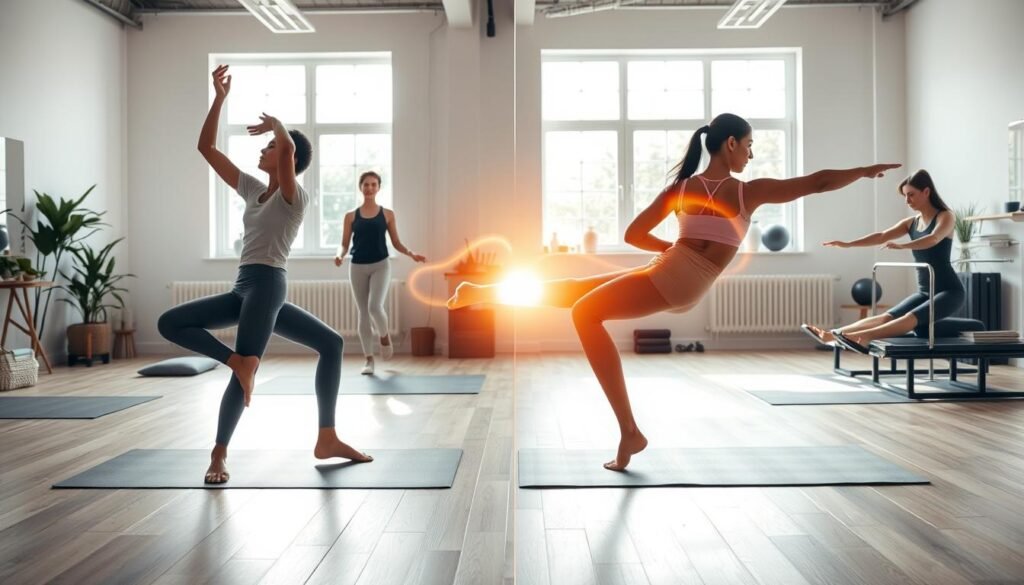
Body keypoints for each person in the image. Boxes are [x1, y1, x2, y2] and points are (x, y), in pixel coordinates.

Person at [448, 112, 900, 471]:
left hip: (675, 274)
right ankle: (481, 292)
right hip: (678, 278)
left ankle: (629, 431)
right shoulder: (749, 193)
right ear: (730, 144)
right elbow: (817, 182)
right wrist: (863, 171)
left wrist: (670, 249)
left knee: (583, 312)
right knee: (572, 294)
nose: (751, 154)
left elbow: (633, 234)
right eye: (749, 145)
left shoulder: (682, 189)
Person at [158, 65, 372, 484]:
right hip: (244, 288)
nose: (265, 148)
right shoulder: (254, 190)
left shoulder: (294, 197)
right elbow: (206, 148)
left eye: (271, 145)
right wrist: (219, 99)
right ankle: (239, 365)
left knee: (302, 350)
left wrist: (278, 124)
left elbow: (290, 150)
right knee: (171, 324)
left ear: (289, 158)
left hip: (269, 285)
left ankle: (224, 453)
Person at [803, 169, 963, 352]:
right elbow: (882, 236)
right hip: (925, 292)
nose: (907, 200)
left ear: (926, 192)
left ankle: (863, 338)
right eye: (905, 196)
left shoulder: (946, 216)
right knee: (886, 316)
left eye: (911, 195)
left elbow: (934, 238)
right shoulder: (911, 223)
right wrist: (848, 244)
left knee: (908, 318)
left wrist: (903, 246)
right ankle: (831, 335)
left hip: (949, 291)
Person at [333, 171, 426, 375]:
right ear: (360, 187)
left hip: (380, 265)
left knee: (375, 307)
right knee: (363, 313)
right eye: (366, 184)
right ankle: (369, 360)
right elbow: (344, 244)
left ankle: (384, 336)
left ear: (378, 188)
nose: (369, 188)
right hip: (357, 266)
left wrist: (411, 254)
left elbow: (396, 242)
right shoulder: (351, 216)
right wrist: (339, 255)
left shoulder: (387, 214)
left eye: (373, 184)